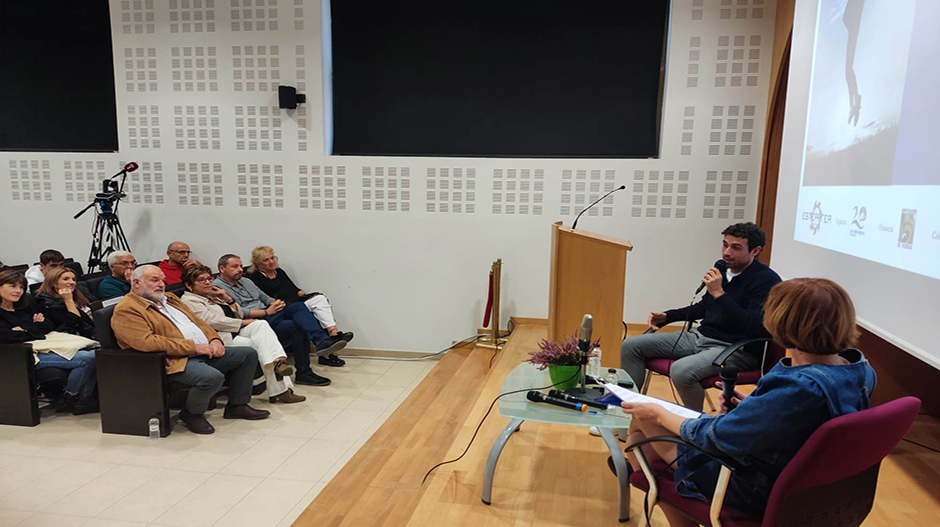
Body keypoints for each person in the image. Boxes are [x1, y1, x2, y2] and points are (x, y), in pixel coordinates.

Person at [617, 278, 876, 522]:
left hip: (755, 487)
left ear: (783, 322)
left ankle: (669, 499)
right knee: (646, 442)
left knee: (645, 424)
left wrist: (659, 413)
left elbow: (716, 436)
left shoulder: (801, 387)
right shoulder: (859, 369)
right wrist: (754, 410)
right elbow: (799, 421)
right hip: (815, 487)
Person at [620, 222, 781, 411]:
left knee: (681, 370)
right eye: (725, 245)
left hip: (736, 349)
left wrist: (720, 294)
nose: (727, 252)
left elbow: (754, 326)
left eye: (736, 247)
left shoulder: (766, 281)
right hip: (701, 338)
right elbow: (704, 307)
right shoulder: (723, 271)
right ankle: (626, 413)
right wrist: (667, 317)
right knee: (631, 346)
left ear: (756, 250)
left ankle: (694, 428)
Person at [111, 265, 270, 434]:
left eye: (163, 280)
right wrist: (193, 347)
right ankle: (191, 414)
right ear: (136, 283)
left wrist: (214, 339)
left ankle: (237, 405)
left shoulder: (170, 298)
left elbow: (199, 322)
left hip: (201, 350)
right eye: (154, 280)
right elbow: (147, 342)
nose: (161, 284)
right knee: (211, 377)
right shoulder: (127, 309)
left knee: (247, 354)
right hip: (172, 360)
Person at [180, 265, 306, 404]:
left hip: (235, 331)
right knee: (260, 347)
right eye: (201, 280)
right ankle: (282, 388)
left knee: (261, 325)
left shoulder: (213, 295)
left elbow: (239, 312)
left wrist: (228, 299)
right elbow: (211, 321)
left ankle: (279, 365)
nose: (207, 282)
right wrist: (242, 322)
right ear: (188, 285)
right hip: (220, 338)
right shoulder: (189, 301)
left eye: (209, 279)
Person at [214, 254, 342, 384]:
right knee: (298, 314)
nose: (240, 269)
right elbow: (235, 312)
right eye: (235, 266)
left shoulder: (246, 281)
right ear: (222, 268)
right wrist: (266, 311)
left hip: (270, 314)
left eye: (241, 266)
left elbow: (264, 297)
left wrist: (275, 303)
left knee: (298, 313)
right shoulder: (217, 288)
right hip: (254, 322)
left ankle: (306, 369)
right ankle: (319, 343)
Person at [0, 268, 99, 415]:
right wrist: (33, 328)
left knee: (95, 353)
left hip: (42, 347)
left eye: (21, 287)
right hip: (22, 356)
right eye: (12, 286)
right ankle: (71, 396)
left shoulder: (24, 307)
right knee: (88, 358)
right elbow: (7, 337)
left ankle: (81, 400)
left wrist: (25, 329)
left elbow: (47, 326)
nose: (18, 291)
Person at [246, 245, 353, 367]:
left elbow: (294, 289)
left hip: (296, 304)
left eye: (272, 258)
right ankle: (326, 353)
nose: (271, 262)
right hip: (282, 308)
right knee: (307, 313)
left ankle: (333, 334)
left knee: (320, 299)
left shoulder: (279, 272)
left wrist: (305, 294)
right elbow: (263, 298)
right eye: (266, 260)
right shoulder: (255, 277)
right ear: (257, 264)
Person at [34, 267, 97, 340]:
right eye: (66, 279)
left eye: (74, 279)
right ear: (53, 283)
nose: (72, 282)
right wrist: (68, 300)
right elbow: (75, 326)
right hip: (77, 339)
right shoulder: (48, 303)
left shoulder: (78, 294)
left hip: (95, 331)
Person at [25, 249, 97, 301]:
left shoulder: (69, 277)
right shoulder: (32, 283)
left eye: (61, 265)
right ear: (42, 265)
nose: (59, 269)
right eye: (53, 266)